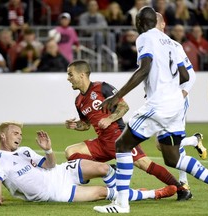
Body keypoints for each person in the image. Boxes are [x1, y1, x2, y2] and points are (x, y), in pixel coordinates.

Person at [93, 6, 208, 213]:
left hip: (159, 104)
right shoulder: (173, 43)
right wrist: (165, 84)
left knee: (122, 144)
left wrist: (117, 96)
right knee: (173, 158)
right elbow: (185, 77)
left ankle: (121, 204)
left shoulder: (144, 37)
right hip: (176, 105)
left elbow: (144, 68)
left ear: (141, 22)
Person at [65, 59, 191, 201]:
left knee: (145, 164)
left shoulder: (102, 87)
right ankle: (107, 169)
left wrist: (110, 118)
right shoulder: (78, 101)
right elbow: (86, 124)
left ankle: (181, 189)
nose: (68, 78)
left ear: (82, 75)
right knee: (70, 152)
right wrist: (76, 125)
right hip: (102, 142)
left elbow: (124, 106)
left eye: (71, 74)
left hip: (119, 137)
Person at [0, 121, 177, 205]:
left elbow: (50, 166)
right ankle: (152, 194)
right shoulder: (1, 162)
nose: (19, 136)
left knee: (103, 168)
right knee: (103, 193)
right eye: (15, 133)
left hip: (61, 173)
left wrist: (48, 150)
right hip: (56, 192)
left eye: (20, 133)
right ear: (2, 136)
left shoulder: (24, 151)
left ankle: (124, 196)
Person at [155, 12, 207, 187]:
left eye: (154, 23)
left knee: (171, 143)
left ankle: (183, 184)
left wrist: (182, 94)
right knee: (160, 144)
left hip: (176, 99)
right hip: (161, 102)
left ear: (163, 25)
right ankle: (194, 140)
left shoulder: (174, 46)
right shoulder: (150, 46)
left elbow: (190, 75)